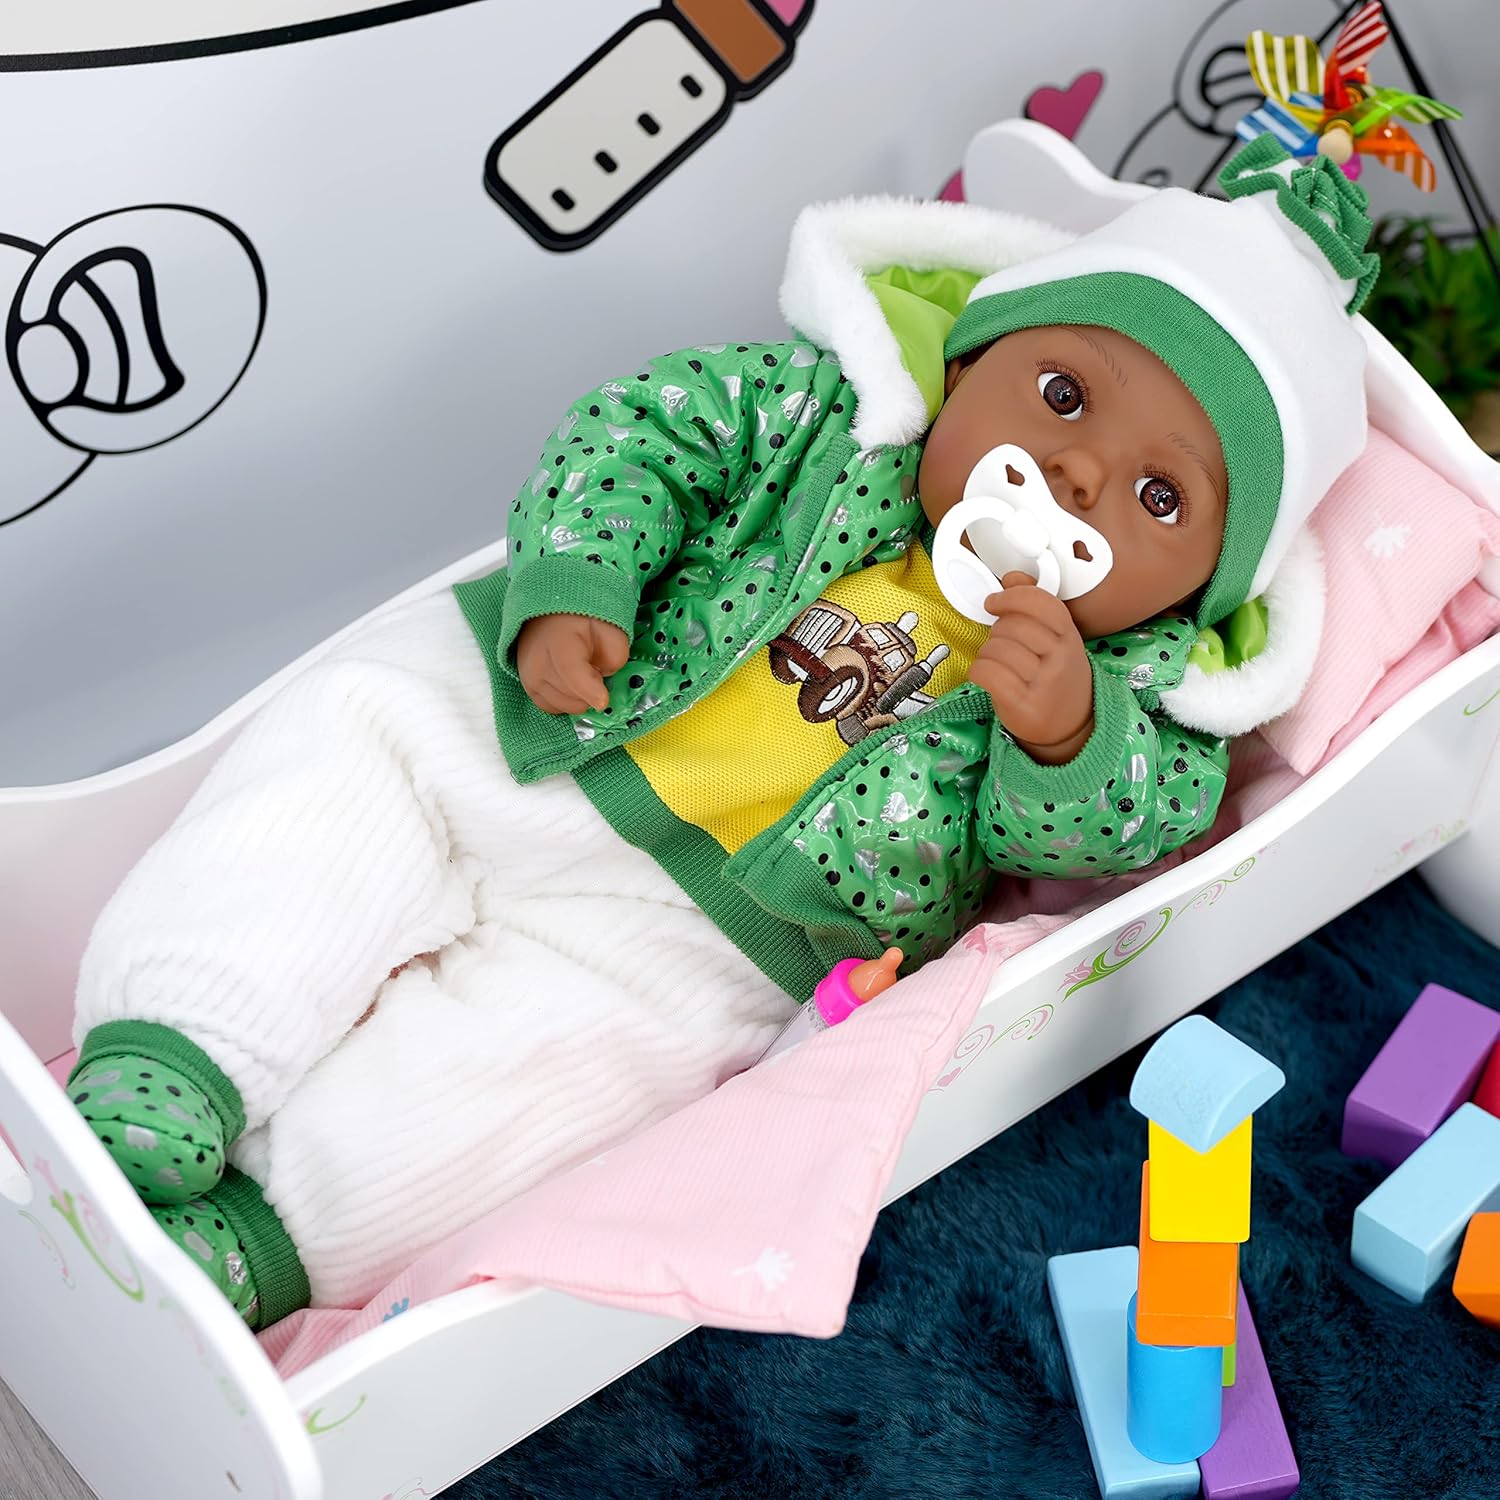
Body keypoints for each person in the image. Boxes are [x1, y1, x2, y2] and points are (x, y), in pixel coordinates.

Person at [67, 138, 1377, 1327]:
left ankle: (263, 1233)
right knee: (349, 744)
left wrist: (1069, 741)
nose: (1082, 474)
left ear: (1201, 593)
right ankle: (174, 1050)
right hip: (543, 721)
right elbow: (645, 428)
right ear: (969, 360)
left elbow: (1132, 829)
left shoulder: (1142, 697)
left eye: (1162, 496)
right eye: (1064, 394)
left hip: (711, 932)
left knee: (547, 1090)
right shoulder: (826, 418)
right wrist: (581, 578)